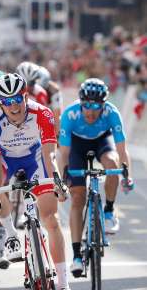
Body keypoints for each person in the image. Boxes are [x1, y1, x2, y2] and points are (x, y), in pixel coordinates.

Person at [0, 73, 70, 289]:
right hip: (6, 160)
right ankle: (11, 235)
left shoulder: (42, 113)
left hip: (35, 159)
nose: (13, 107)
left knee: (51, 218)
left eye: (16, 99)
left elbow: (50, 155)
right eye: (6, 102)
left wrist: (57, 182)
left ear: (25, 96)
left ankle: (63, 282)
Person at [57, 78, 133, 278]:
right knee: (77, 198)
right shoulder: (70, 115)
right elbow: (63, 153)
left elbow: (122, 150)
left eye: (96, 106)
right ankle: (76, 257)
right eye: (87, 105)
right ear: (81, 102)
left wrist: (127, 175)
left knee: (112, 163)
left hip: (102, 142)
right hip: (76, 147)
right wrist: (63, 180)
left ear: (104, 104)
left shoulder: (112, 113)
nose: (90, 111)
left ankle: (108, 211)